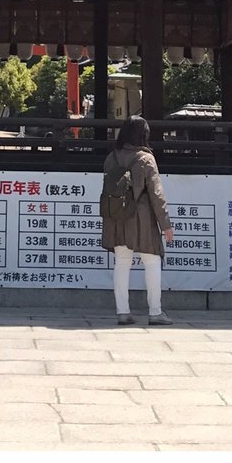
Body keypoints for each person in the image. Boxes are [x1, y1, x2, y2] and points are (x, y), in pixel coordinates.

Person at [98, 115, 174, 327]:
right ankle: (155, 312)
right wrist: (166, 224)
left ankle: (123, 313)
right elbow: (156, 194)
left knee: (122, 263)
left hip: (116, 217)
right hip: (141, 218)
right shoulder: (145, 158)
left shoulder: (111, 158)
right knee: (152, 261)